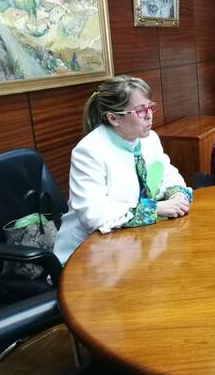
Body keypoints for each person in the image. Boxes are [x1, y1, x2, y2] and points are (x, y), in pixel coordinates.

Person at [53, 76, 192, 264]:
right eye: (140, 110)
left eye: (150, 107)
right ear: (114, 118)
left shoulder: (149, 139)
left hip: (136, 240)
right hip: (91, 252)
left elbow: (165, 173)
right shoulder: (89, 151)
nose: (149, 115)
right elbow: (95, 214)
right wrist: (155, 209)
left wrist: (177, 195)